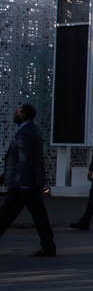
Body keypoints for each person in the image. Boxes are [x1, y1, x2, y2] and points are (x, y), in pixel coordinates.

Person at [0, 104, 56, 257]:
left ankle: (49, 246)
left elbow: (25, 160)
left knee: (5, 215)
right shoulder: (30, 130)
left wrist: (22, 183)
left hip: (22, 184)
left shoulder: (25, 133)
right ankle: (49, 246)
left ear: (24, 114)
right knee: (39, 216)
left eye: (18, 111)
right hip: (29, 183)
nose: (15, 113)